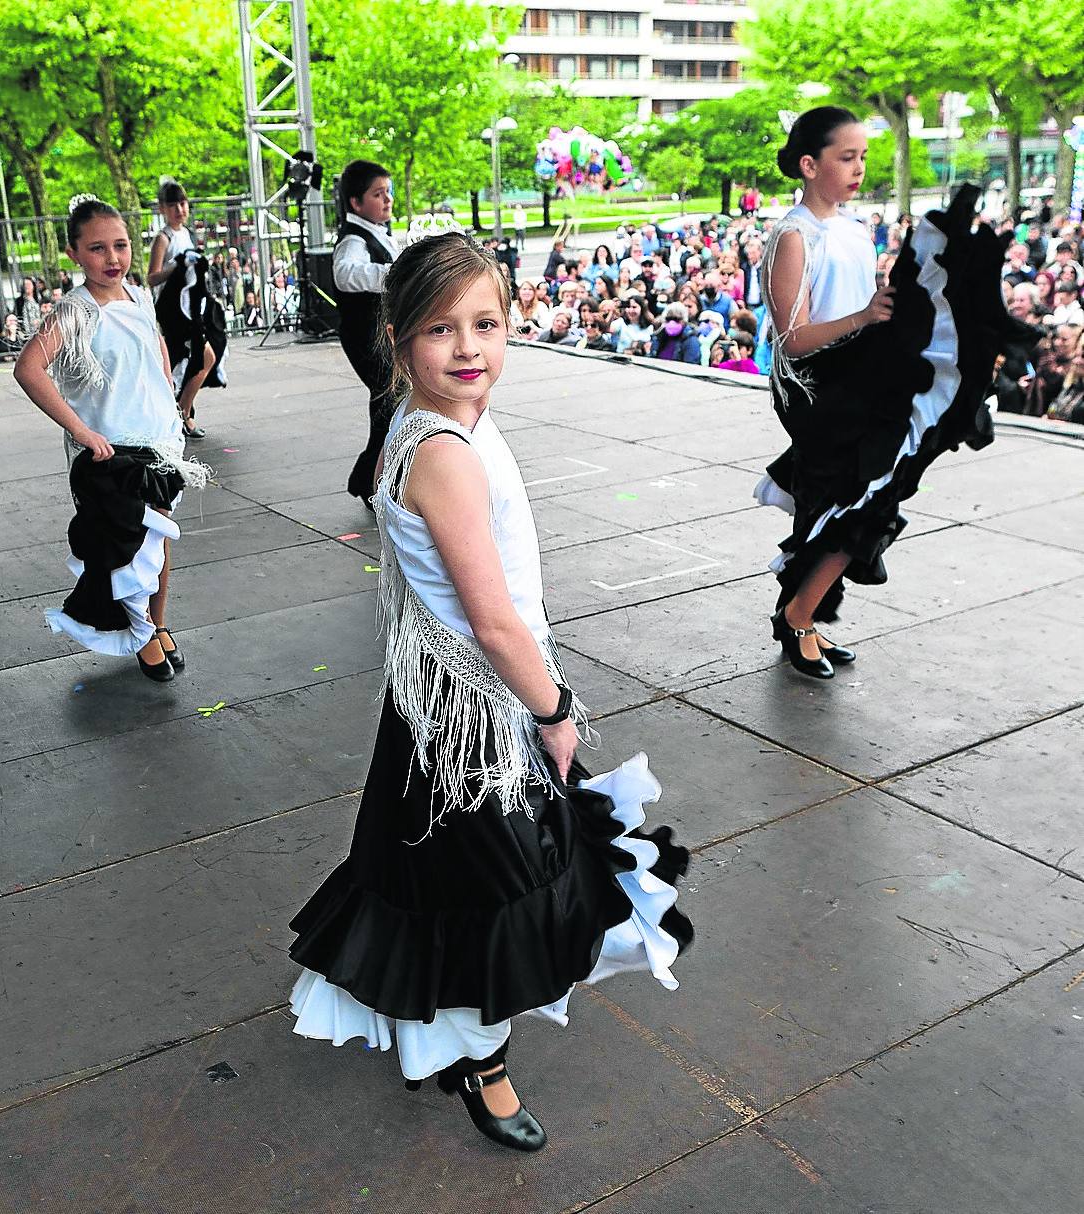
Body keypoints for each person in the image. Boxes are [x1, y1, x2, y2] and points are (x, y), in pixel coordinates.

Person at [286, 230, 692, 1153]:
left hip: (438, 705)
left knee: (442, 880)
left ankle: (445, 1037)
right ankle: (481, 1062)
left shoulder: (428, 426)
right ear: (396, 341)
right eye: (440, 329)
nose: (468, 348)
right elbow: (495, 619)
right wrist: (554, 711)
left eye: (487, 324)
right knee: (496, 889)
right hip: (474, 717)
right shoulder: (443, 453)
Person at [755, 107, 1014, 681]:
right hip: (816, 388)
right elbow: (793, 342)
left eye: (863, 157)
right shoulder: (793, 236)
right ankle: (798, 618)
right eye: (846, 157)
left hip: (859, 377)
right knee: (865, 504)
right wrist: (866, 316)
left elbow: (870, 315)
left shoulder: (852, 229)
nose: (857, 168)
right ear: (808, 164)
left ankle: (800, 615)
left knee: (857, 504)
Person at [14, 195, 211, 682]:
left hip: (159, 443)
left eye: (120, 245)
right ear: (74, 253)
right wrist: (82, 431)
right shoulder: (74, 312)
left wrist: (170, 401)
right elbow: (29, 369)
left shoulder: (138, 296)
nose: (113, 258)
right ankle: (142, 633)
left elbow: (156, 344)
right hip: (112, 454)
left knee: (159, 542)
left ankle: (157, 626)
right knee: (127, 551)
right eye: (98, 248)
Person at [332, 158, 399, 506]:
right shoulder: (353, 240)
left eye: (388, 191)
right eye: (378, 194)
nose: (387, 200)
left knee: (389, 403)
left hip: (381, 335)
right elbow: (345, 274)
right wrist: (393, 274)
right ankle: (370, 481)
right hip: (365, 335)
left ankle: (369, 480)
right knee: (388, 402)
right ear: (356, 203)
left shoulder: (379, 234)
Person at [147, 178, 228, 441]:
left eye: (183, 203)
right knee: (200, 358)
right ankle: (182, 414)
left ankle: (183, 412)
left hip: (191, 308)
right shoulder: (163, 238)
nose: (179, 209)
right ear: (162, 209)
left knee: (201, 358)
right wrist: (177, 265)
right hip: (174, 311)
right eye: (173, 205)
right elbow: (152, 277)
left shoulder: (186, 233)